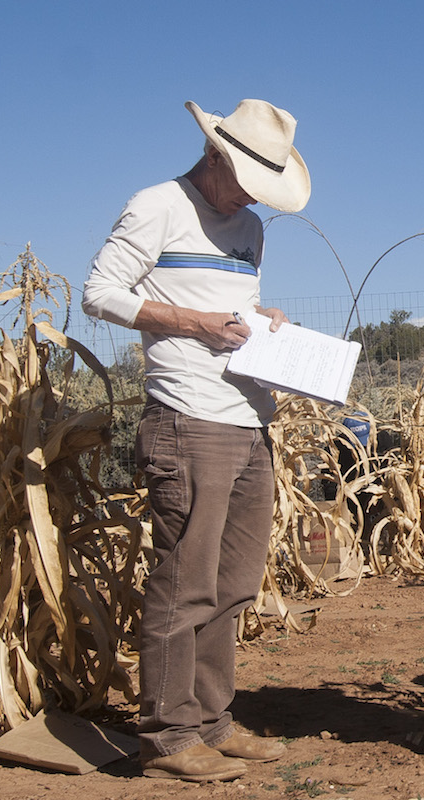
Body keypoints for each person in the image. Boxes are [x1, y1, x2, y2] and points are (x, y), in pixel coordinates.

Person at [81, 99, 311, 781]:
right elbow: (100, 292)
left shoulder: (250, 229)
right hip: (187, 420)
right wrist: (191, 322)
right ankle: (169, 736)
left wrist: (260, 318)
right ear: (214, 154)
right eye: (243, 177)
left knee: (234, 583)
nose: (249, 196)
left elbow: (233, 308)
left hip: (250, 420)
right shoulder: (157, 205)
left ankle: (212, 720)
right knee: (184, 582)